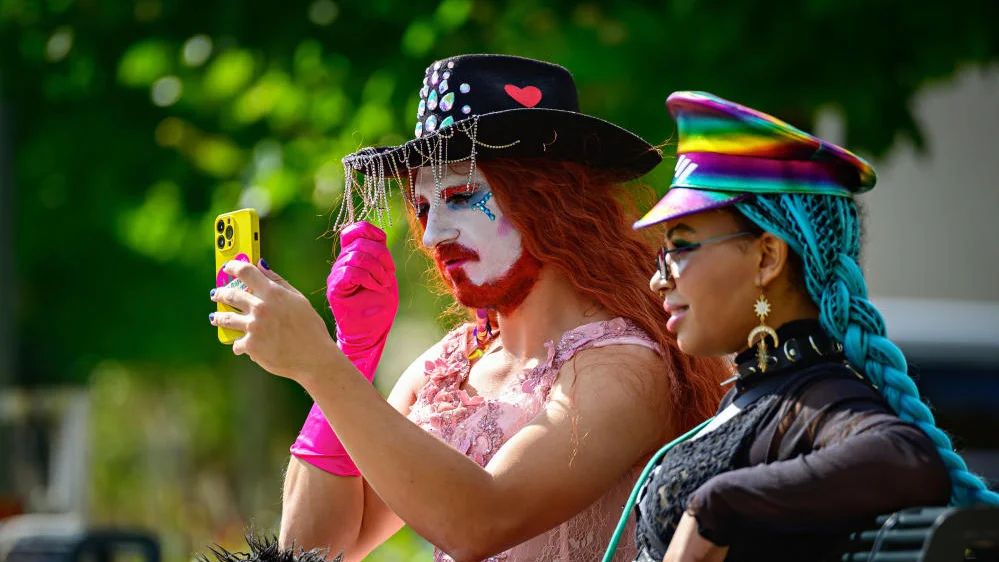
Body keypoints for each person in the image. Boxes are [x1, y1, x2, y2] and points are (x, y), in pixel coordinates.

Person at [209, 55, 732, 561]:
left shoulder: (628, 366)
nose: (433, 233)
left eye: (460, 195)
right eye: (421, 207)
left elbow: (481, 523)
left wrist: (321, 366)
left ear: (551, 199)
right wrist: (352, 353)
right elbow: (316, 550)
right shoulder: (451, 366)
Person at [624, 91, 999, 562]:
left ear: (767, 257)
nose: (659, 279)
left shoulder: (815, 396)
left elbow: (907, 458)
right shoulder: (764, 393)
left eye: (680, 248)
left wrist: (716, 505)